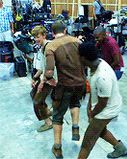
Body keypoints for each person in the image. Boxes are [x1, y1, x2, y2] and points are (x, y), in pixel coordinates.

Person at [78, 42, 127, 159]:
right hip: (103, 106)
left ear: (83, 58)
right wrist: (89, 106)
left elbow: (103, 102)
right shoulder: (97, 63)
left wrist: (92, 113)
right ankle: (120, 148)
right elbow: (94, 91)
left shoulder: (102, 76)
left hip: (107, 110)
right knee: (100, 131)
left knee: (87, 142)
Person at [44, 21, 86, 158]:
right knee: (75, 103)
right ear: (66, 30)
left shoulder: (51, 46)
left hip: (65, 85)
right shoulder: (77, 41)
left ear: (52, 32)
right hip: (80, 83)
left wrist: (49, 80)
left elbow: (49, 71)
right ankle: (75, 128)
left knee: (57, 117)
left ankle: (57, 148)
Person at [31, 25, 53, 132]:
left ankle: (48, 122)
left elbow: (49, 68)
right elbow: (42, 67)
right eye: (34, 37)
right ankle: (48, 113)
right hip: (44, 77)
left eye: (38, 36)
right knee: (35, 96)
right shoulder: (42, 47)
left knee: (37, 101)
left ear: (44, 35)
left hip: (49, 79)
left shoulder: (48, 47)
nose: (36, 39)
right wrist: (35, 78)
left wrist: (42, 82)